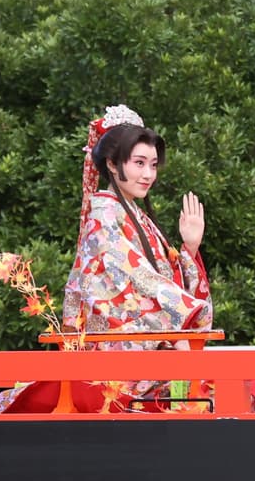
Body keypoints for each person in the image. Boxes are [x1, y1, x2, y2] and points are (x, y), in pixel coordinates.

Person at [59, 107, 210, 408]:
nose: (148, 175)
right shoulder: (104, 216)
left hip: (148, 354)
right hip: (118, 369)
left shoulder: (132, 213)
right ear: (113, 164)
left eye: (153, 165)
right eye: (139, 163)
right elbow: (134, 282)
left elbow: (157, 278)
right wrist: (180, 323)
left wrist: (189, 249)